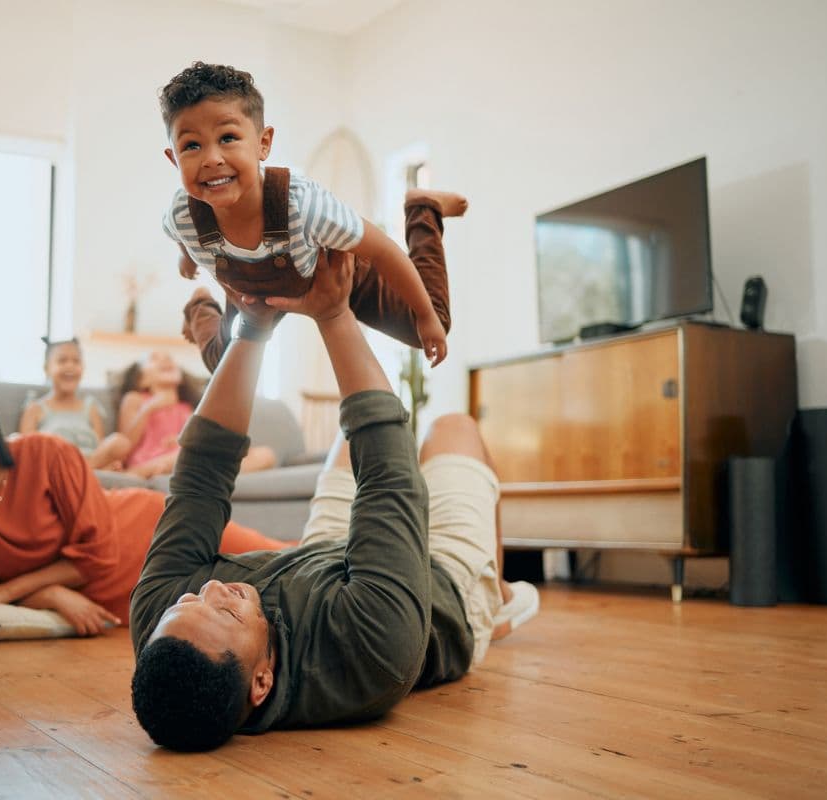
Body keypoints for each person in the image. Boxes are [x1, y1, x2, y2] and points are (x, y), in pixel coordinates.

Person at [129, 250, 539, 752]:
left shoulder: (166, 627)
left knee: (348, 439)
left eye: (191, 599)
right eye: (228, 613)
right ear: (262, 682)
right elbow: (391, 478)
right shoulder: (371, 651)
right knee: (453, 429)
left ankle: (498, 591)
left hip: (322, 561)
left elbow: (200, 475)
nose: (212, 588)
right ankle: (491, 600)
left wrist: (252, 328)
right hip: (443, 592)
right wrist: (333, 313)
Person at [0, 377, 291, 636]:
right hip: (120, 594)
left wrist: (7, 593)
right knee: (250, 595)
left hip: (145, 530)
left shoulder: (45, 452)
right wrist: (51, 595)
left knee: (278, 561)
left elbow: (96, 553)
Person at [159, 61, 463, 370]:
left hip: (337, 275)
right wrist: (187, 258)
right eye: (192, 145)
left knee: (429, 324)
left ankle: (423, 208)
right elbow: (177, 233)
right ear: (174, 159)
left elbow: (383, 250)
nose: (211, 159)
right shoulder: (184, 214)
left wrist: (426, 316)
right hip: (254, 292)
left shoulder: (303, 205)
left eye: (227, 138)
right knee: (222, 364)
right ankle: (199, 306)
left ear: (263, 144)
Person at [117, 349, 276, 479]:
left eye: (169, 357)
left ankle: (204, 474)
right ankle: (138, 473)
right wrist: (149, 407)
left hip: (186, 459)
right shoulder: (135, 399)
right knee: (186, 456)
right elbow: (126, 444)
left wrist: (180, 440)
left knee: (266, 455)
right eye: (154, 359)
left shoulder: (186, 408)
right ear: (141, 380)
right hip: (150, 461)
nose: (165, 360)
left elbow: (200, 441)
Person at [19, 337, 132, 470]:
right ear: (46, 368)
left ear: (83, 368)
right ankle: (81, 471)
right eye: (62, 360)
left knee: (119, 442)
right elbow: (26, 452)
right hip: (55, 464)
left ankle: (81, 470)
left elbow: (101, 448)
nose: (70, 366)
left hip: (91, 461)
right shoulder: (35, 408)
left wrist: (107, 462)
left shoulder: (91, 407)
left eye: (76, 361)